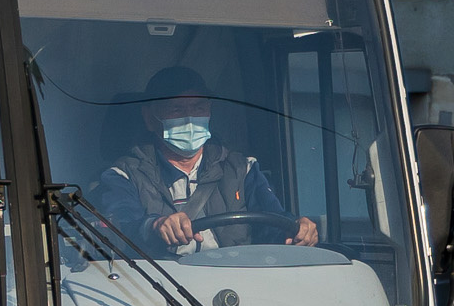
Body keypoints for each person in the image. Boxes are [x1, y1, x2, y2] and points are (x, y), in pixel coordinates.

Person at [92, 66, 317, 252]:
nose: (189, 118)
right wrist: (155, 226)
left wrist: (298, 228)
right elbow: (120, 229)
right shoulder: (122, 176)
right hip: (163, 289)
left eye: (198, 107)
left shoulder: (242, 168)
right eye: (176, 109)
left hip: (240, 283)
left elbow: (273, 220)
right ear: (150, 118)